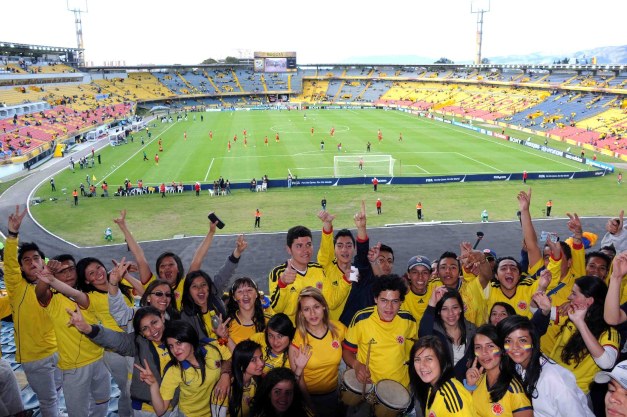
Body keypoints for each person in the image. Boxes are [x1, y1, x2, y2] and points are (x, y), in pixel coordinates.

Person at [34, 257, 112, 417]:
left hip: (100, 359)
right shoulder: (53, 298)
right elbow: (40, 293)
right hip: (74, 368)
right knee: (78, 412)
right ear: (55, 275)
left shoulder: (89, 292)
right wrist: (46, 277)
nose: (69, 274)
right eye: (62, 271)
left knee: (102, 403)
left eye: (71, 269)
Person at [4, 205, 62, 417]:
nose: (32, 262)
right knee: (49, 402)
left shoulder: (55, 284)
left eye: (36, 258)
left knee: (56, 394)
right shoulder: (17, 287)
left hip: (58, 351)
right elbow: (10, 265)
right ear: (21, 268)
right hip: (35, 359)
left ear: (43, 261)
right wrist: (12, 235)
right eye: (26, 260)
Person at [497, 315, 594, 417]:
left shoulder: (553, 378)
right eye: (508, 341)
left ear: (533, 342)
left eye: (522, 340)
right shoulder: (517, 366)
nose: (515, 347)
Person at [134, 320, 232, 417]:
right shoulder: (174, 371)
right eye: (171, 346)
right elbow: (160, 410)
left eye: (179, 343)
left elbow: (232, 358)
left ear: (190, 338)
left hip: (219, 410)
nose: (175, 350)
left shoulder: (211, 347)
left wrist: (225, 375)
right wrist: (153, 385)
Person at [343, 275, 417, 389]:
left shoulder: (408, 320)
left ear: (401, 302)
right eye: (384, 300)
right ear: (375, 299)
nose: (389, 307)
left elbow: (415, 350)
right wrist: (356, 365)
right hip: (369, 384)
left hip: (400, 386)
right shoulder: (361, 318)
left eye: (395, 301)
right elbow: (347, 351)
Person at [549, 275, 619, 394]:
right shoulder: (571, 313)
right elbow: (539, 310)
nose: (569, 296)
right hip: (550, 383)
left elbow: (607, 363)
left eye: (574, 294)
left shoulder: (609, 332)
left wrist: (580, 323)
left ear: (589, 301)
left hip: (574, 395)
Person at [290, 287, 346, 416]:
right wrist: (310, 406)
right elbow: (298, 379)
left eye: (316, 307)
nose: (312, 313)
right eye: (306, 309)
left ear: (324, 307)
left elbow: (351, 352)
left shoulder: (339, 329)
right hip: (307, 397)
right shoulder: (299, 338)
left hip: (334, 394)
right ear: (301, 313)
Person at [465, 324, 532, 417]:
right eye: (478, 347)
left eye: (490, 346)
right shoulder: (477, 380)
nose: (484, 352)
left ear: (502, 350)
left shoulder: (514, 391)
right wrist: (470, 386)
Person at [268, 226, 326, 322]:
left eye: (308, 245)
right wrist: (282, 283)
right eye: (299, 246)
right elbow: (277, 309)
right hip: (290, 329)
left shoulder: (319, 269)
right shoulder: (278, 273)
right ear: (289, 249)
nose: (305, 250)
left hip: (315, 326)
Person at [410, 335, 475, 417]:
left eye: (429, 359)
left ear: (441, 360)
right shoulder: (433, 386)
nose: (422, 366)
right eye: (417, 360)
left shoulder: (450, 397)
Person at [419, 287, 477, 380]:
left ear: (461, 308)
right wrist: (432, 304)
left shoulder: (472, 330)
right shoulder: (433, 330)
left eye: (455, 307)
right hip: (438, 386)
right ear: (438, 311)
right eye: (444, 309)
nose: (451, 313)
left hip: (465, 387)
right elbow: (423, 337)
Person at [224, 277, 273, 348]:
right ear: (234, 297)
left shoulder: (270, 321)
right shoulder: (227, 325)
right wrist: (223, 337)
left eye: (249, 290)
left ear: (256, 294)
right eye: (240, 291)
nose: (245, 294)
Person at [229, 340, 265, 417]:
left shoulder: (258, 382)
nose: (261, 363)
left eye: (261, 357)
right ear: (241, 364)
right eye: (253, 360)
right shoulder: (226, 388)